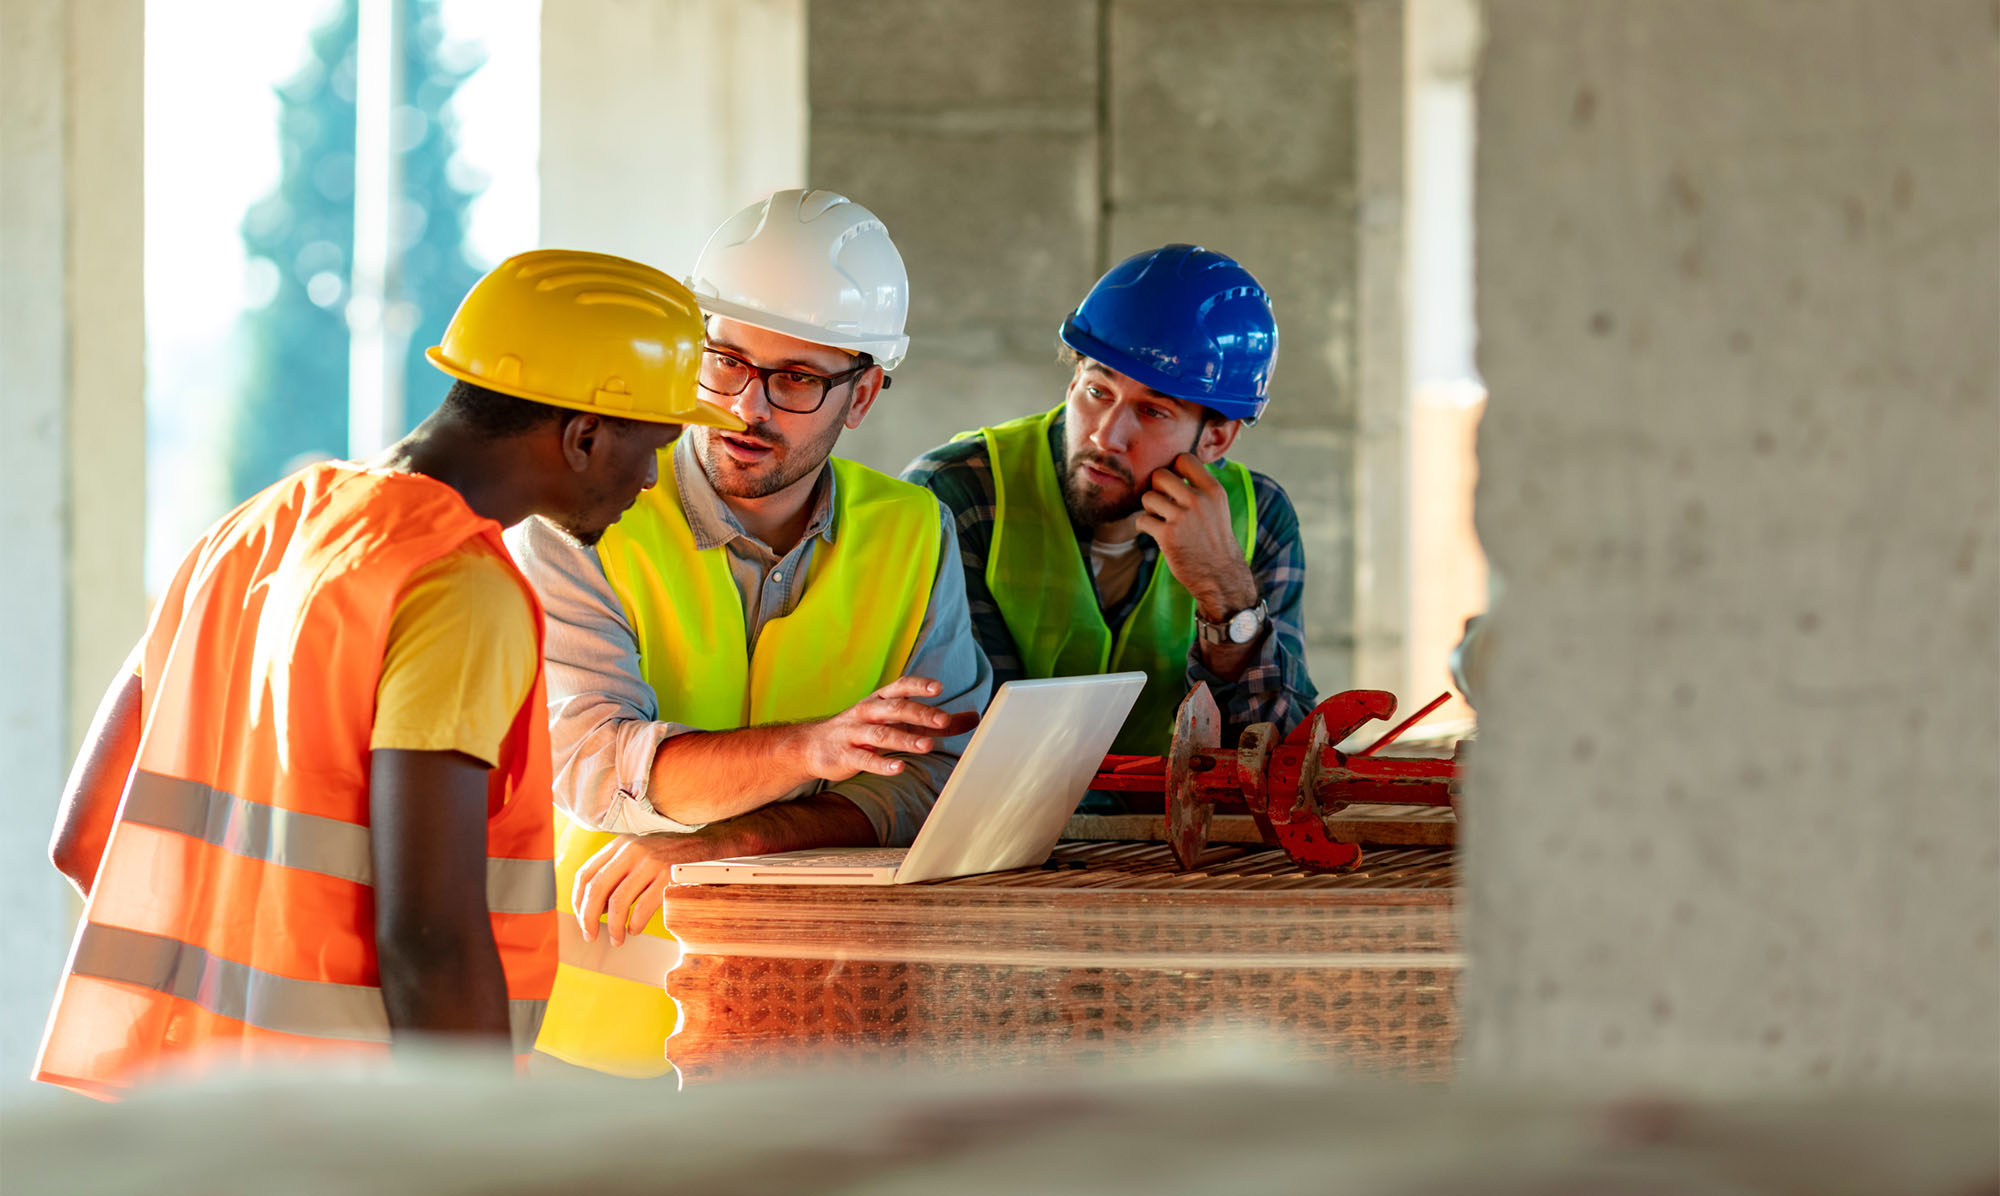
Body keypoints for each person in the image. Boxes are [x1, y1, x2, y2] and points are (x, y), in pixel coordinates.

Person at [36, 250, 739, 1098]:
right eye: (655, 444)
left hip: (183, 1113)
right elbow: (432, 939)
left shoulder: (251, 534)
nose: (652, 477)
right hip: (343, 1133)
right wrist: (467, 1149)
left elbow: (84, 838)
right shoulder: (457, 586)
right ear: (586, 435)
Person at [511, 189, 990, 1078]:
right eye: (724, 360)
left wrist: (733, 842)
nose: (746, 406)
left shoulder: (913, 532)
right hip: (588, 1035)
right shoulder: (580, 518)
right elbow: (593, 770)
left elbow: (937, 788)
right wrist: (814, 752)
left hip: (819, 1030)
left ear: (866, 392)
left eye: (798, 378)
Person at [904, 244, 1317, 759]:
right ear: (1074, 377)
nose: (1106, 437)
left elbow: (1282, 760)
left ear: (1216, 440)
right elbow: (960, 738)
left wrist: (1227, 595)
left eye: (1152, 412)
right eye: (1098, 392)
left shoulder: (1260, 519)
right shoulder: (957, 495)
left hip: (1175, 839)